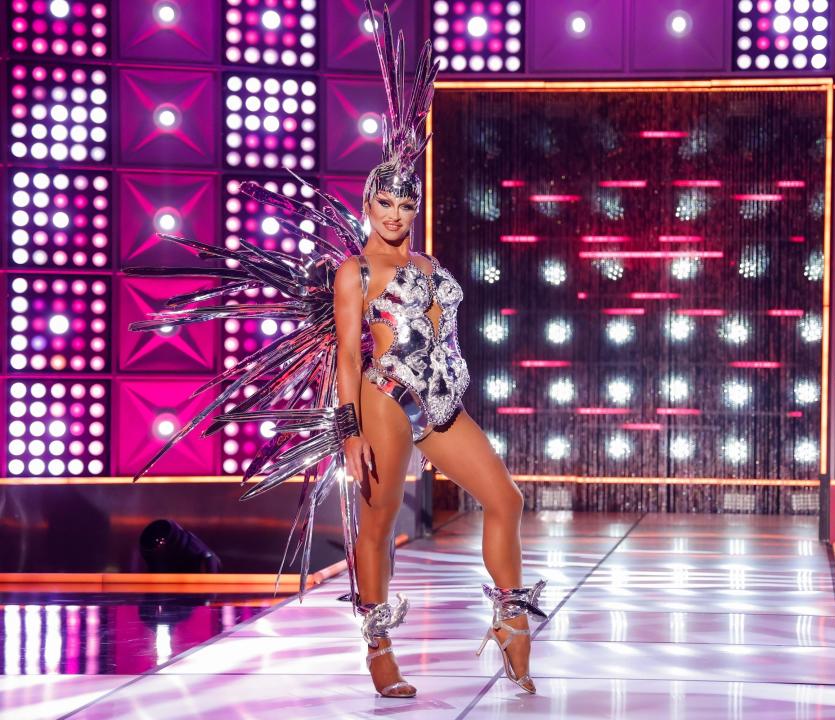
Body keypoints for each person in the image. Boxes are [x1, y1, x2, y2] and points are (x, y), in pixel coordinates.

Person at [125, 0, 546, 701]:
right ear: (367, 207)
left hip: (443, 404)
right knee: (377, 524)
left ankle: (507, 619)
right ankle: (380, 646)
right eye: (384, 205)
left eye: (405, 206)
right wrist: (347, 434)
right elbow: (349, 358)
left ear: (413, 209)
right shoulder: (355, 273)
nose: (395, 215)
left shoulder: (432, 266)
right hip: (383, 402)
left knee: (506, 499)